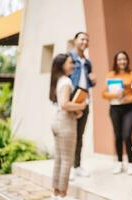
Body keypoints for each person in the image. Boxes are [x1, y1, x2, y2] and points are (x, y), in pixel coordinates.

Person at [49, 54, 87, 200]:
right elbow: (65, 104)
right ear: (63, 65)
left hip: (57, 121)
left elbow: (61, 104)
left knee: (59, 159)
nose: (73, 65)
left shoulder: (58, 80)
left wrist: (76, 110)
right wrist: (81, 106)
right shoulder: (66, 81)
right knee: (67, 160)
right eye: (71, 63)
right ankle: (63, 195)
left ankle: (55, 193)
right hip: (65, 123)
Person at [102, 51, 132, 175]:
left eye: (124, 59)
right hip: (114, 108)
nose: (122, 61)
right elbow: (103, 93)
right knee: (118, 136)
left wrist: (129, 98)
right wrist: (115, 94)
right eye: (119, 59)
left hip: (129, 108)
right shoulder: (110, 75)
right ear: (116, 61)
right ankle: (119, 162)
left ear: (127, 60)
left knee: (127, 135)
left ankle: (130, 163)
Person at [69, 32, 96, 178]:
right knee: (70, 136)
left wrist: (94, 81)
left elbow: (89, 83)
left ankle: (77, 166)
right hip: (71, 101)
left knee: (79, 136)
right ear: (75, 41)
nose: (85, 41)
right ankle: (68, 168)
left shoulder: (87, 62)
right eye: (82, 39)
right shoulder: (69, 58)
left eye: (87, 39)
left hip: (84, 101)